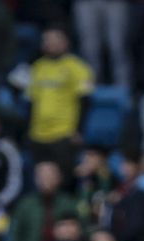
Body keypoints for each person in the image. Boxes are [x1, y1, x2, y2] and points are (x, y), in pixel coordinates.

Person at [24, 26, 93, 177]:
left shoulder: (78, 67)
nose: (49, 43)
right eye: (46, 40)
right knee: (42, 179)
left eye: (54, 39)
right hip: (38, 134)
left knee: (64, 178)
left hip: (63, 133)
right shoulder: (37, 67)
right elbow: (31, 100)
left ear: (65, 42)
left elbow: (85, 100)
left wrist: (79, 130)